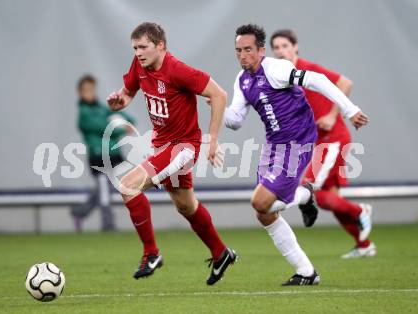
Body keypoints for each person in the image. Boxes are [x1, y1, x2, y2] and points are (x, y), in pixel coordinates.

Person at [224, 24, 368, 285]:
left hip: (298, 142)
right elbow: (235, 120)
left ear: (260, 50)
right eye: (238, 51)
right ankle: (306, 272)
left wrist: (349, 110)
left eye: (247, 50)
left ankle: (304, 194)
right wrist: (221, 108)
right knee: (264, 212)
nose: (242, 55)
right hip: (273, 145)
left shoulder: (277, 69)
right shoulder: (242, 80)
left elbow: (319, 80)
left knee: (260, 202)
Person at [107, 22, 237, 285]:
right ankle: (221, 253)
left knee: (127, 186)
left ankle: (151, 253)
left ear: (161, 45)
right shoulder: (139, 65)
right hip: (162, 146)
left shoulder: (177, 70)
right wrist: (120, 101)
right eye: (135, 48)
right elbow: (129, 91)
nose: (139, 52)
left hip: (182, 148)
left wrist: (212, 140)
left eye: (144, 47)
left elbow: (219, 95)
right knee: (186, 206)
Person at [270, 29, 376, 259]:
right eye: (276, 48)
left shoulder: (309, 68)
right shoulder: (282, 76)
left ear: (295, 47)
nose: (280, 51)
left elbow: (345, 83)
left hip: (333, 138)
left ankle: (361, 210)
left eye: (285, 46)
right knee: (328, 200)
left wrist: (331, 114)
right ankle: (364, 244)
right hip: (318, 142)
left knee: (310, 185)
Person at [72, 74, 136, 232]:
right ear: (80, 92)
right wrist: (122, 129)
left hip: (112, 155)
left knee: (104, 188)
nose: (89, 93)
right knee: (104, 188)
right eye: (86, 90)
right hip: (97, 156)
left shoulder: (101, 108)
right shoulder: (84, 113)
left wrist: (124, 116)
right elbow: (104, 128)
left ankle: (79, 212)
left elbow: (125, 116)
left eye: (91, 89)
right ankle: (108, 224)